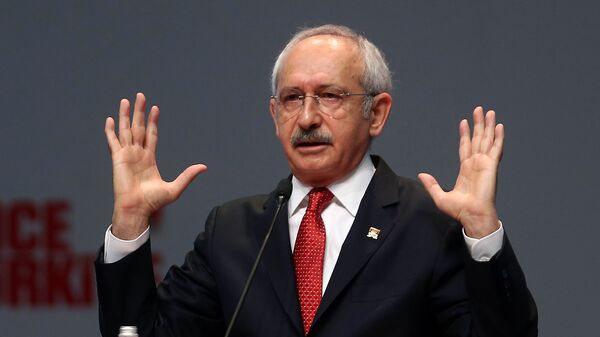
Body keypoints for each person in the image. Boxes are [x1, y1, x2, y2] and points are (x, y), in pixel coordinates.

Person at [95, 25, 537, 337]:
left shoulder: (429, 223)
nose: (307, 118)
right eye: (292, 99)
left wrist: (481, 230)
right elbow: (138, 334)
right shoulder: (231, 232)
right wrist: (130, 222)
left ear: (377, 113)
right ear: (274, 115)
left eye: (329, 96)